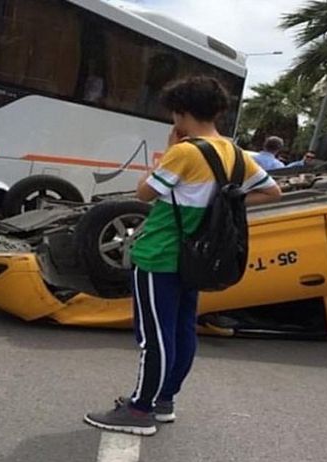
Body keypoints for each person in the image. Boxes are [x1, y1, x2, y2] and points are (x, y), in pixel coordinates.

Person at [84, 76, 282, 436]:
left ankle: (140, 410)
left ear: (182, 112)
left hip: (160, 253)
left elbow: (145, 193)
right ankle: (165, 401)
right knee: (181, 329)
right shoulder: (236, 154)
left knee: (155, 336)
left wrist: (167, 149)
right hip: (200, 256)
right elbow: (273, 191)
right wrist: (224, 202)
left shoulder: (186, 151)